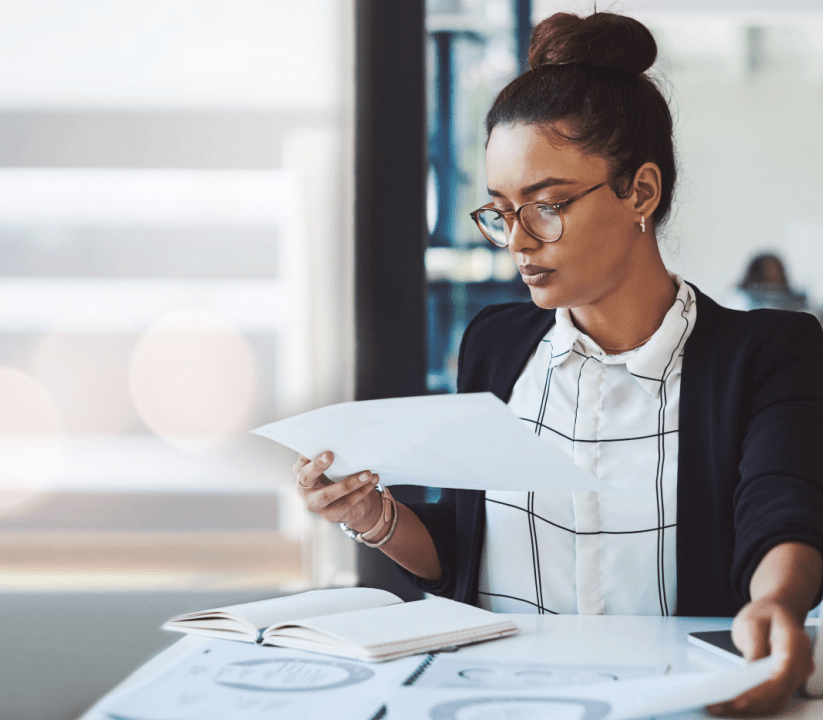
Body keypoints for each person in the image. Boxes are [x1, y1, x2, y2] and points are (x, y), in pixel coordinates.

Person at [293, 11, 823, 717]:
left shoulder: (767, 351)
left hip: (674, 705)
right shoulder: (494, 344)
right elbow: (471, 548)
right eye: (501, 211)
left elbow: (782, 510)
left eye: (546, 206)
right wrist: (373, 516)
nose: (516, 241)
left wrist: (776, 604)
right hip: (495, 703)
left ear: (641, 191)